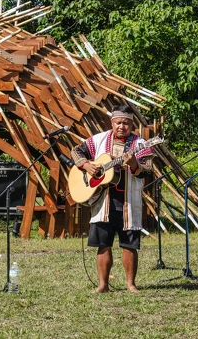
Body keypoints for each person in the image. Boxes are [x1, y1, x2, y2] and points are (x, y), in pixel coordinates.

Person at [71, 105, 154, 293]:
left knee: (129, 244)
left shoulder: (140, 144)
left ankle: (131, 284)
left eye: (126, 123)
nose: (122, 126)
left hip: (128, 201)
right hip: (103, 200)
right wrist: (86, 165)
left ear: (132, 124)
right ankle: (103, 284)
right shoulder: (99, 140)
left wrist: (134, 164)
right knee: (103, 244)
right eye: (118, 122)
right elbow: (76, 151)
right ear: (112, 123)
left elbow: (147, 170)